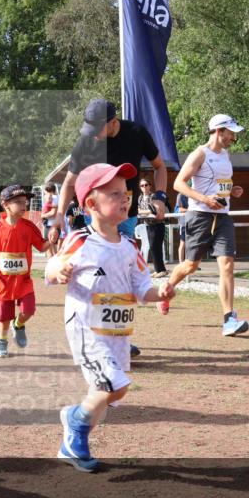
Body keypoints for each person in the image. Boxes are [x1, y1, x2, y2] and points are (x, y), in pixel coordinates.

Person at [45, 163, 174, 473]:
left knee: (108, 391)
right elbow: (52, 267)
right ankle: (76, 425)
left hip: (117, 333)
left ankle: (72, 440)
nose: (125, 198)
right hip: (86, 328)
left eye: (125, 193)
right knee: (113, 385)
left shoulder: (130, 246)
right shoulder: (81, 239)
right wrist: (58, 270)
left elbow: (142, 287)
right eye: (114, 194)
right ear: (91, 204)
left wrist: (161, 292)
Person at [47, 98, 168, 357]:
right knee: (99, 273)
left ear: (113, 123)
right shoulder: (86, 143)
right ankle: (98, 332)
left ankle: (114, 333)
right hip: (96, 216)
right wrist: (58, 216)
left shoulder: (136, 133)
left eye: (97, 129)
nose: (93, 135)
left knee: (121, 273)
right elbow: (69, 182)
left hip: (127, 215)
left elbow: (160, 166)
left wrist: (159, 197)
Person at [161, 114, 249, 336]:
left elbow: (218, 184)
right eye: (231, 133)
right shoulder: (199, 154)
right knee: (190, 265)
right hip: (200, 216)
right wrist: (204, 199)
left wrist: (232, 191)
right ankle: (166, 288)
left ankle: (229, 319)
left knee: (227, 264)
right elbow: (178, 183)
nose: (233, 138)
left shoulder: (225, 155)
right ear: (219, 131)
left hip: (223, 217)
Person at [0, 184, 50, 358]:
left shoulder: (29, 226)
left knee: (29, 310)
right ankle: (2, 341)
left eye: (25, 202)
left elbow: (42, 246)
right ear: (5, 205)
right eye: (18, 202)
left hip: (23, 279)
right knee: (4, 314)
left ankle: (18, 324)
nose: (24, 205)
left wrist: (53, 239)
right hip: (3, 279)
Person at [137, 177, 168, 277]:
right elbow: (138, 210)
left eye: (146, 185)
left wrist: (143, 212)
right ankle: (158, 269)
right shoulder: (140, 198)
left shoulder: (154, 196)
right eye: (142, 185)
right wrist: (145, 212)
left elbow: (154, 211)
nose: (144, 187)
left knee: (156, 247)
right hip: (148, 225)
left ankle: (162, 270)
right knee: (152, 247)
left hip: (158, 224)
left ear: (150, 186)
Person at [40, 182, 59, 256]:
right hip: (52, 223)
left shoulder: (54, 197)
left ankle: (51, 260)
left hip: (50, 224)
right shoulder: (56, 197)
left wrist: (43, 216)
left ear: (48, 190)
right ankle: (53, 259)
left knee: (48, 244)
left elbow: (53, 213)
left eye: (45, 190)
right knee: (53, 245)